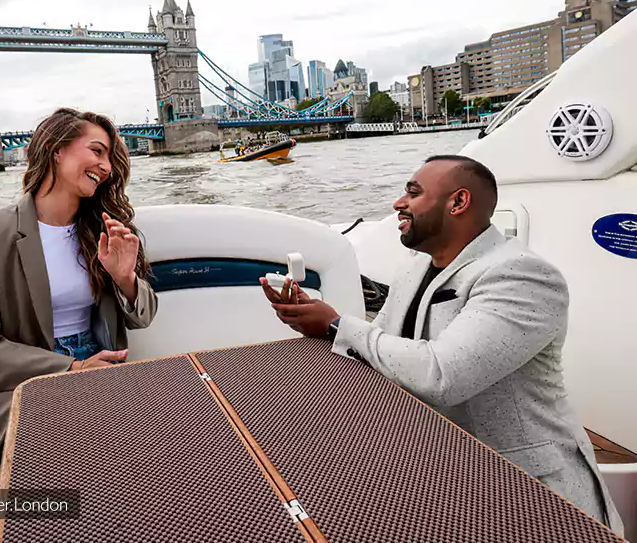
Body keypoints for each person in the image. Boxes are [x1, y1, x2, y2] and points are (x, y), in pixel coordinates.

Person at [260, 155, 623, 534]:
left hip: (533, 491)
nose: (399, 203)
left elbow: (444, 374)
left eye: (413, 193)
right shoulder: (417, 267)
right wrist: (318, 324)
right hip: (450, 467)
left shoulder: (521, 275)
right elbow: (382, 345)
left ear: (457, 202)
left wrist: (336, 324)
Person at [0, 108, 158, 499]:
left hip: (99, 365)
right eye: (97, 151)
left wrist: (124, 278)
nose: (105, 167)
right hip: (25, 378)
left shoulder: (105, 228)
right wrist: (71, 366)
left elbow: (145, 316)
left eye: (110, 158)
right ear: (56, 149)